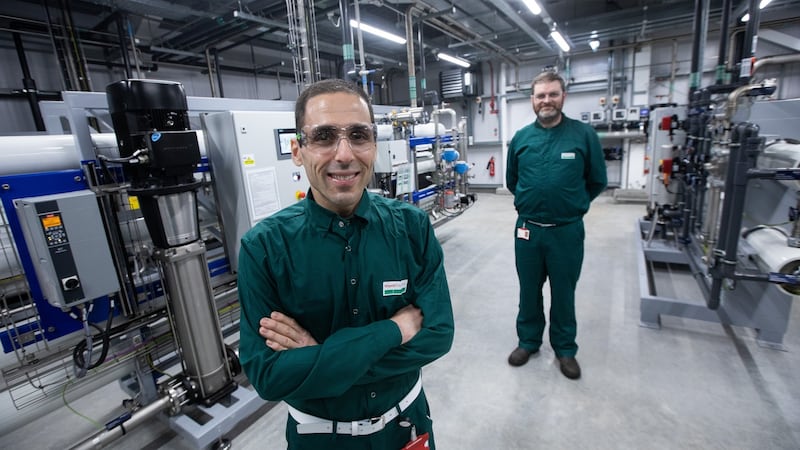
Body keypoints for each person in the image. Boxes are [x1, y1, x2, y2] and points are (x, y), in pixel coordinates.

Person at [237, 78, 455, 449]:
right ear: (297, 149)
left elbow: (438, 336)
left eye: (358, 135)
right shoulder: (264, 248)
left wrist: (318, 357)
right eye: (323, 137)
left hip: (406, 426)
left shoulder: (412, 227)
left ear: (373, 145)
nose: (344, 154)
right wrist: (393, 331)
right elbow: (268, 376)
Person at [505, 71, 607, 380]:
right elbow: (512, 181)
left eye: (552, 94)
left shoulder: (583, 135)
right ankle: (529, 341)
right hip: (528, 231)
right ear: (533, 100)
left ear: (563, 97)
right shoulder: (522, 138)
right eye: (540, 95)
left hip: (566, 231)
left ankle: (565, 349)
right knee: (529, 291)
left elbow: (597, 180)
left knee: (564, 292)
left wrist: (573, 205)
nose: (546, 100)